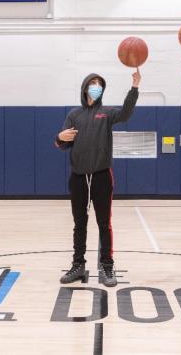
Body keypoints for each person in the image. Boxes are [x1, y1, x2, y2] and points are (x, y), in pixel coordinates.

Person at [55, 69, 141, 287]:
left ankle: (107, 266)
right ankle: (78, 265)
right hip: (78, 177)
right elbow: (63, 144)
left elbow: (126, 113)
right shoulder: (74, 114)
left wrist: (134, 88)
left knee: (104, 223)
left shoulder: (107, 113)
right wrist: (59, 137)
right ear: (85, 88)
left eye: (99, 84)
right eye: (93, 83)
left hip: (102, 175)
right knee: (79, 224)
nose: (96, 86)